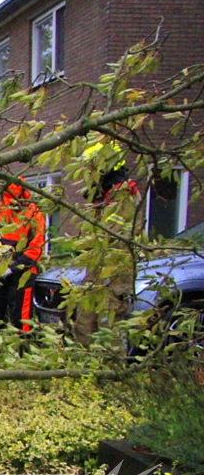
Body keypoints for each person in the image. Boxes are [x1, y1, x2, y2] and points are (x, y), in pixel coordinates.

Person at [72, 143, 142, 345]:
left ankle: (110, 370)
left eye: (91, 169)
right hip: (96, 272)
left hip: (115, 274)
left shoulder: (122, 195)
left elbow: (109, 235)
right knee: (84, 321)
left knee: (109, 323)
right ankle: (82, 369)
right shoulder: (104, 196)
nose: (88, 174)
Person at [0, 180, 46, 332]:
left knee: (22, 318)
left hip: (25, 271)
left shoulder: (33, 213)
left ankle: (22, 348)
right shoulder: (0, 210)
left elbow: (36, 248)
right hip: (0, 267)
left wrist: (12, 267)